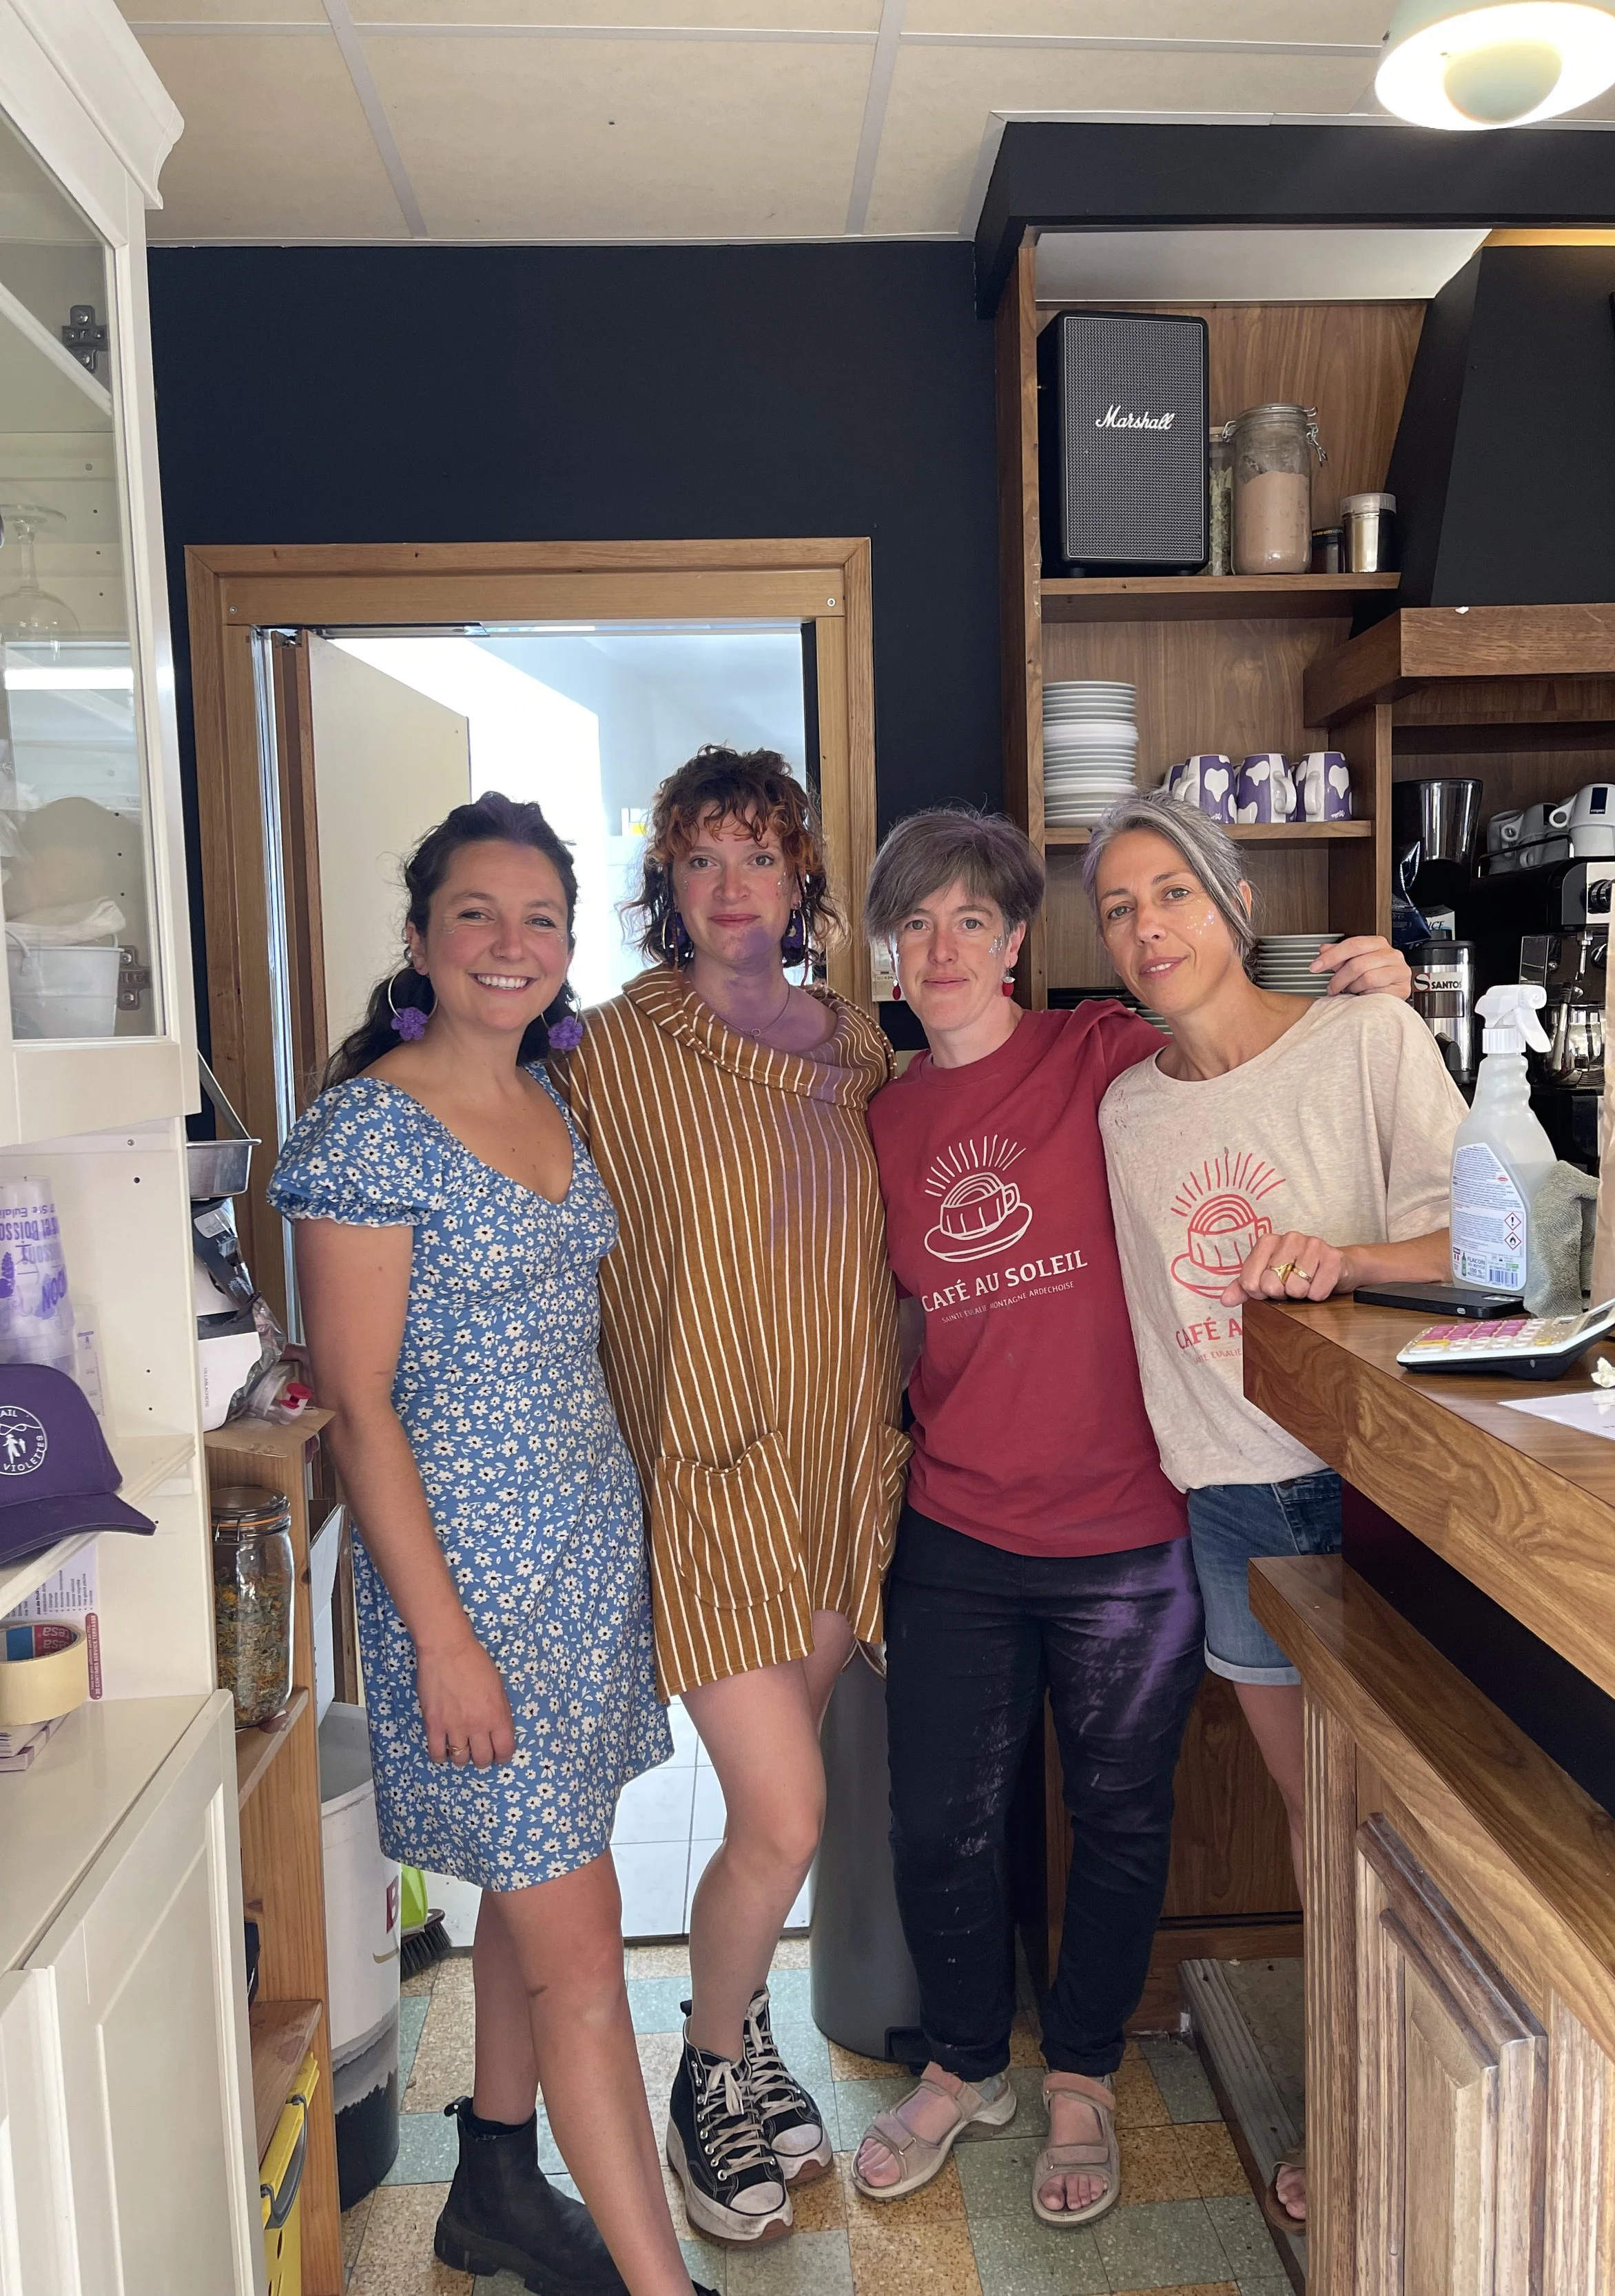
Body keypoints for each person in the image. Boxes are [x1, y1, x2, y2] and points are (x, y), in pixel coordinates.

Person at [853, 807, 1410, 2229]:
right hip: (958, 1527)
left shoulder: (1099, 1054)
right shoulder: (882, 1116)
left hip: (1129, 1526)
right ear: (887, 954)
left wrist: (1373, 982)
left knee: (1113, 1816)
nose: (943, 948)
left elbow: (1228, 1024)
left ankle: (1085, 2071)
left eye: (971, 918)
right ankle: (966, 2060)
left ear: (1019, 940)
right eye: (913, 925)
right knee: (939, 1824)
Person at [269, 793, 713, 2296]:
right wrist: (442, 1639)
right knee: (586, 1964)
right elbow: (357, 1409)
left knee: (554, 1887)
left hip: (578, 1564)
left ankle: (499, 2190)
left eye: (539, 918)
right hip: (466, 1589)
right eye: (476, 913)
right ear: (419, 938)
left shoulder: (549, 1099)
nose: (509, 944)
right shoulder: (367, 1128)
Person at [1089, 787, 1464, 2229]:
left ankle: (1417, 2121)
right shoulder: (1124, 1105)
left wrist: (1343, 1258)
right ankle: (1346, 2109)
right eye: (1117, 907)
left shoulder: (1364, 1034)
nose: (1145, 926)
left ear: (1231, 900)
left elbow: (1494, 1244)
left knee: (1412, 1829)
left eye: (1169, 891)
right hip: (1230, 1505)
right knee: (1321, 1826)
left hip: (1372, 1488)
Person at [553, 747, 909, 2248]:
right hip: (700, 1472)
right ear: (665, 884)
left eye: (758, 857)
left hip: (838, 1466)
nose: (729, 888)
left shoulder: (857, 1043)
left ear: (800, 879)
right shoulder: (609, 1047)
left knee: (782, 1818)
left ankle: (743, 2027)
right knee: (785, 1807)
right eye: (700, 860)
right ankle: (707, 2073)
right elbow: (468, 1121)